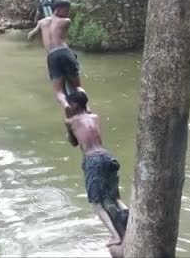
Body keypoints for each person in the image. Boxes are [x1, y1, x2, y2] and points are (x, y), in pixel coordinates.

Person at [64, 91, 128, 258]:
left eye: (70, 104)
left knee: (96, 204)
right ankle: (130, 219)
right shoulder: (96, 117)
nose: (68, 106)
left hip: (92, 160)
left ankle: (115, 235)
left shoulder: (70, 121)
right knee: (115, 198)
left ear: (75, 105)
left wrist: (68, 120)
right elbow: (88, 116)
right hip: (108, 157)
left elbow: (72, 142)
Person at [27, 0, 83, 111]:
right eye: (66, 10)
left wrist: (39, 25)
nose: (68, 13)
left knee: (58, 92)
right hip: (65, 52)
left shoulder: (42, 22)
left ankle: (65, 104)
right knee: (77, 87)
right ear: (58, 9)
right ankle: (84, 106)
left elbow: (30, 37)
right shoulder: (66, 21)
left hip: (52, 56)